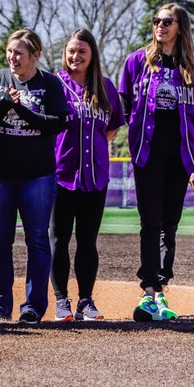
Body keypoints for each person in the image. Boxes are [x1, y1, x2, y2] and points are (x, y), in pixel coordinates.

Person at [119, 6, 194, 322]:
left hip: (180, 156)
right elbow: (124, 101)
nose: (160, 26)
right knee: (150, 221)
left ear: (180, 27)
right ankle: (149, 291)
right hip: (147, 153)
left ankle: (162, 286)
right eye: (156, 20)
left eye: (167, 21)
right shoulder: (136, 62)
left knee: (169, 223)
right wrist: (130, 129)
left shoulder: (193, 69)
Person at [0, 28, 70, 323]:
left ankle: (33, 306)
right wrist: (7, 103)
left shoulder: (50, 84)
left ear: (35, 55)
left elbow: (56, 124)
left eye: (19, 52)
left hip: (37, 176)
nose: (12, 58)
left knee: (37, 241)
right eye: (9, 51)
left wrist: (22, 110)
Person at [51, 28, 125, 321]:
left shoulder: (105, 87)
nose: (75, 56)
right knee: (58, 239)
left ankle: (85, 300)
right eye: (71, 50)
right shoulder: (54, 85)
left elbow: (110, 130)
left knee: (87, 240)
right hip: (60, 174)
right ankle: (61, 301)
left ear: (92, 54)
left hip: (95, 176)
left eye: (82, 51)